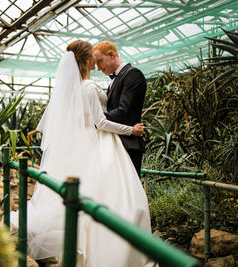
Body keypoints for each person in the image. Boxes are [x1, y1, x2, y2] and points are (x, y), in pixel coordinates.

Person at [11, 40, 151, 267]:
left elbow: (119, 111)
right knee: (113, 197)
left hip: (116, 145)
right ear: (86, 61)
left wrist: (91, 120)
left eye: (101, 61)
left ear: (111, 54)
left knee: (121, 197)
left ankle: (116, 242)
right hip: (108, 141)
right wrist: (129, 130)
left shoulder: (130, 76)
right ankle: (109, 246)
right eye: (94, 61)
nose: (98, 65)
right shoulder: (87, 86)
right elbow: (101, 121)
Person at [94, 41, 147, 176]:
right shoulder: (114, 79)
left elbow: (124, 111)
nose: (99, 68)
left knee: (129, 191)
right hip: (116, 142)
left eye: (100, 62)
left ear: (111, 55)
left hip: (129, 144)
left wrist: (95, 120)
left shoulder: (133, 74)